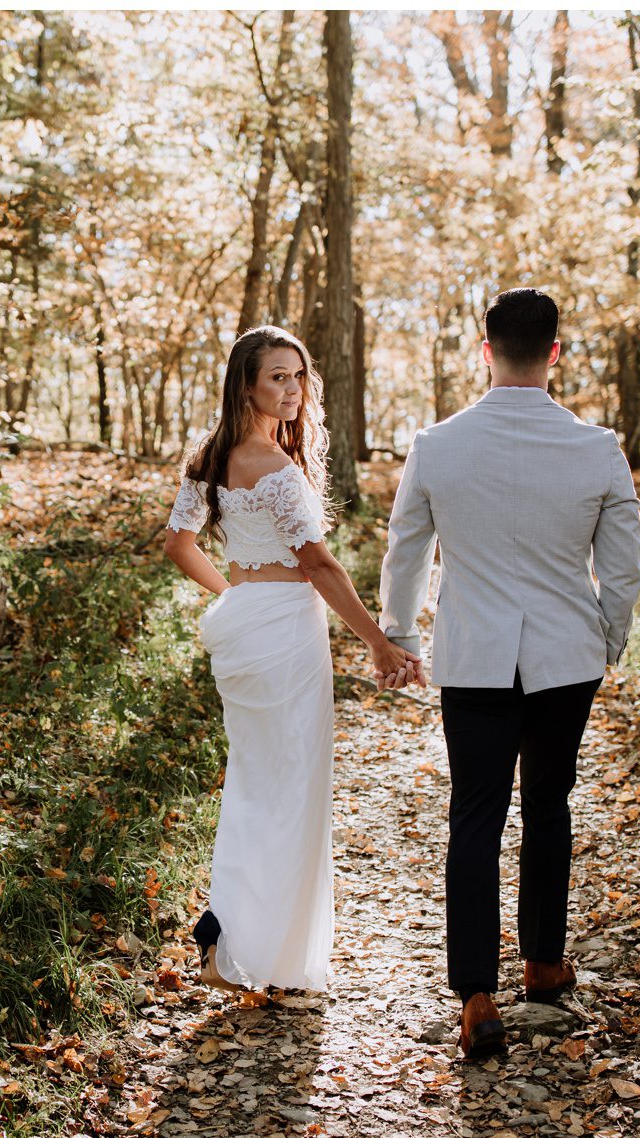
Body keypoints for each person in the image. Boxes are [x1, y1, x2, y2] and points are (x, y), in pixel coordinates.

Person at [377, 288, 640, 1059]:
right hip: (566, 659)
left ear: (483, 348)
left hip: (475, 659)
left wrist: (397, 634)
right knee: (549, 806)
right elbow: (622, 569)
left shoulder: (438, 444)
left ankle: (477, 995)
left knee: (475, 816)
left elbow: (406, 546)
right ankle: (542, 961)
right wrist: (607, 639)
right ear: (555, 353)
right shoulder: (598, 448)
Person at [163, 324, 421, 992]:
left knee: (255, 780)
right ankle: (249, 947)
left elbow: (180, 543)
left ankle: (231, 936)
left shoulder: (210, 457)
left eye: (298, 375)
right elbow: (318, 564)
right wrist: (378, 640)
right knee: (291, 787)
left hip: (246, 624)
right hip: (279, 633)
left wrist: (238, 594)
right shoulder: (277, 472)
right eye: (276, 376)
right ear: (245, 383)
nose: (291, 389)